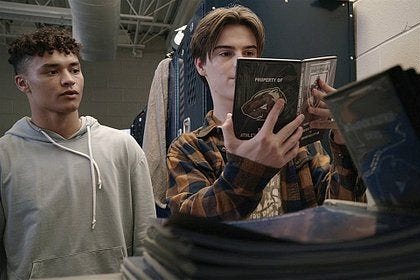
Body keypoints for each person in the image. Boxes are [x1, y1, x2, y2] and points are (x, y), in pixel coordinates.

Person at [166, 5, 366, 220]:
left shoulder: (294, 138)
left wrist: (344, 142)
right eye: (226, 53)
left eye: (249, 52)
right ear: (200, 66)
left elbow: (341, 214)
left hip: (299, 253)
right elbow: (192, 225)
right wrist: (251, 168)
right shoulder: (188, 147)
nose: (240, 61)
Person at [0, 26, 156, 279]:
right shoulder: (5, 156)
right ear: (22, 83)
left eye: (74, 69)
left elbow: (146, 237)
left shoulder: (122, 147)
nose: (68, 80)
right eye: (52, 71)